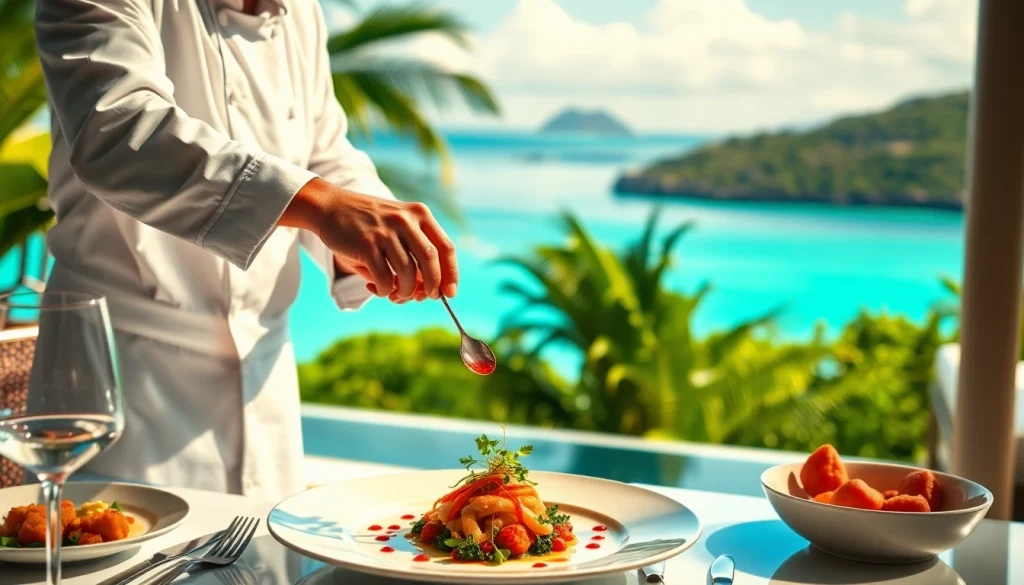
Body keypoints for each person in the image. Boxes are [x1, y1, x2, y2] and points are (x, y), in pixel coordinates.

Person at [33, 0, 458, 501]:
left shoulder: (300, 11)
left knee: (263, 549)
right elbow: (120, 132)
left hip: (267, 380)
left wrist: (362, 231)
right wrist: (322, 207)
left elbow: (322, 148)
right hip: (123, 379)